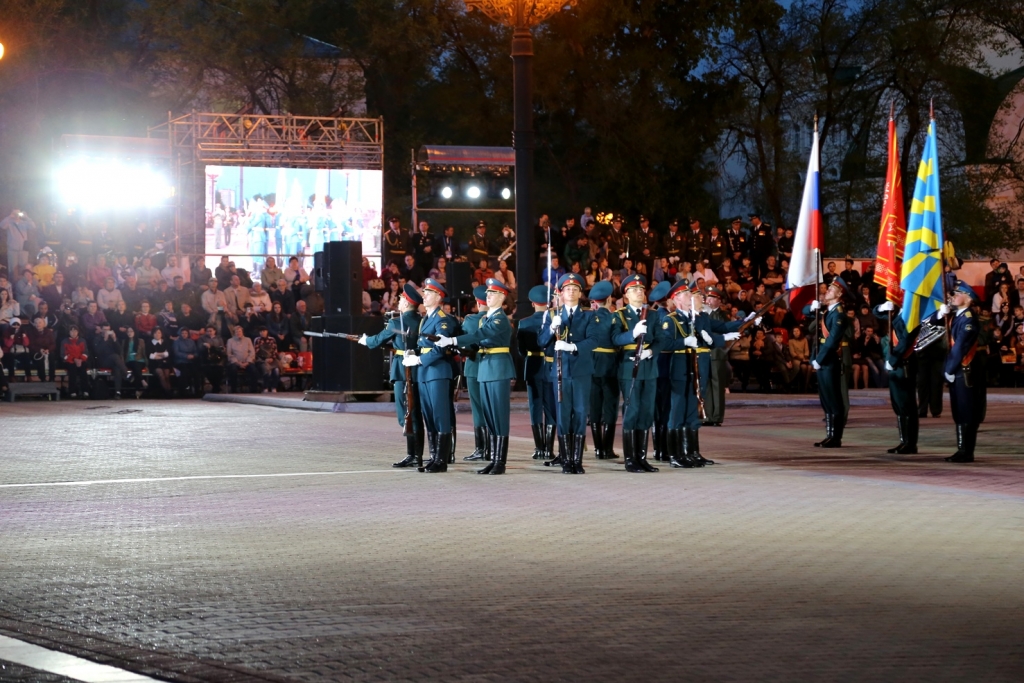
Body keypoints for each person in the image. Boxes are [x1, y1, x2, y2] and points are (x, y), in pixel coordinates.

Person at [437, 278, 515, 474]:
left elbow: (481, 334)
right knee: (489, 414)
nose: (488, 297)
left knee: (499, 415)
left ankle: (500, 461)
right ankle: (494, 459)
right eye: (487, 294)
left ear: (502, 297)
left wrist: (453, 339)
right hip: (487, 367)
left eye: (493, 294)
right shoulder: (489, 317)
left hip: (498, 368)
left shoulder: (499, 318)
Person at [661, 281, 734, 467]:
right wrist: (684, 342)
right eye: (685, 294)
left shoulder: (692, 319)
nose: (690, 297)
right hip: (678, 372)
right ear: (676, 299)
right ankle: (675, 455)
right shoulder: (671, 320)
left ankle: (690, 452)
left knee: (692, 412)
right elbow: (665, 344)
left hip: (693, 371)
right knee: (677, 412)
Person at [537, 273, 601, 474]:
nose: (571, 292)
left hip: (581, 371)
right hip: (560, 372)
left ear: (581, 293)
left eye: (575, 289)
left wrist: (572, 346)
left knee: (581, 413)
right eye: (567, 289)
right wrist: (551, 329)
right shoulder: (553, 314)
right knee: (563, 414)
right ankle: (566, 459)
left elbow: (594, 340)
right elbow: (541, 341)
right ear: (561, 293)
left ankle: (577, 460)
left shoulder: (590, 315)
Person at [360, 283, 424, 467]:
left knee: (404, 413)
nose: (399, 301)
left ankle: (413, 454)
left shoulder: (397, 322)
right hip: (418, 370)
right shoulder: (421, 321)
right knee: (416, 412)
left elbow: (378, 340)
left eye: (402, 299)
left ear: (406, 303)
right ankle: (418, 454)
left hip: (402, 372)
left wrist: (365, 340)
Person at [403, 278, 459, 473]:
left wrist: (419, 360)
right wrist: (415, 355)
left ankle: (441, 460)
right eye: (424, 292)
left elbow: (440, 349)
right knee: (429, 416)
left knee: (440, 415)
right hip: (425, 373)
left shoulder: (443, 319)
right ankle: (434, 457)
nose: (424, 295)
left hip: (437, 371)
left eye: (428, 292)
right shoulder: (426, 319)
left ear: (438, 297)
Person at [610, 274, 664, 472]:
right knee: (632, 411)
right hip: (629, 366)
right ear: (626, 295)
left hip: (649, 367)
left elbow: (661, 340)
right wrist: (632, 334)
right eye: (634, 290)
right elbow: (615, 339)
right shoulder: (620, 315)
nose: (639, 293)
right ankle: (630, 459)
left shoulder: (653, 315)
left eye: (641, 290)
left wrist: (651, 351)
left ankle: (642, 457)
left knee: (647, 411)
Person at [931, 281, 986, 462]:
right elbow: (931, 323)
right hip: (958, 370)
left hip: (965, 370)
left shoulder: (969, 319)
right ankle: (961, 449)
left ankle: (966, 451)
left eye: (958, 293)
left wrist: (949, 368)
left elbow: (960, 347)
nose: (953, 296)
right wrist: (940, 313)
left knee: (967, 411)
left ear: (968, 298)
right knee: (958, 411)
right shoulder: (956, 316)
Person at [805, 277, 851, 448]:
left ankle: (836, 437)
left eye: (831, 290)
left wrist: (819, 359)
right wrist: (812, 308)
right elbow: (804, 312)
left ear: (839, 295)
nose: (827, 291)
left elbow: (832, 341)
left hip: (829, 360)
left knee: (833, 400)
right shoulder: (827, 312)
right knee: (825, 400)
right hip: (822, 360)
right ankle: (829, 435)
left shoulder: (839, 315)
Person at [874, 301, 920, 453]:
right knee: (898, 405)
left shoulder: (912, 316)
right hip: (896, 363)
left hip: (904, 363)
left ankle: (910, 443)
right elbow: (876, 313)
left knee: (907, 404)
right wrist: (882, 307)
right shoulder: (897, 312)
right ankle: (903, 441)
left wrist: (893, 360)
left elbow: (906, 340)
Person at [517, 285, 556, 460]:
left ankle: (539, 448)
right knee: (550, 407)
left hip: (532, 365)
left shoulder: (524, 322)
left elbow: (520, 350)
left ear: (533, 303)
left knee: (535, 407)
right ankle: (549, 449)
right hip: (549, 364)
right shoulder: (554, 319)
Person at [451, 287, 488, 463]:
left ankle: (481, 448)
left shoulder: (471, 320)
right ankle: (492, 447)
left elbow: (462, 342)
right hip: (491, 366)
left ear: (478, 302)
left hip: (474, 367)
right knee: (491, 408)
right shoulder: (497, 320)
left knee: (478, 410)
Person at [587, 281, 620, 461]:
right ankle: (607, 449)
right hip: (609, 366)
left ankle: (598, 449)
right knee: (610, 408)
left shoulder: (589, 317)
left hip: (592, 365)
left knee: (594, 408)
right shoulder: (613, 317)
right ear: (608, 300)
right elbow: (617, 340)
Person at [226, 325, 258, 393]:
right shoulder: (230, 341)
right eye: (236, 332)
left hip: (247, 362)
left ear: (242, 332)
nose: (238, 333)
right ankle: (233, 389)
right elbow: (229, 354)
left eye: (240, 331)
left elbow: (252, 352)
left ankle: (253, 389)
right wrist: (238, 363)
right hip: (235, 362)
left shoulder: (248, 339)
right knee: (232, 369)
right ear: (234, 333)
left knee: (254, 369)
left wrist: (247, 362)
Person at [61, 325, 90, 398]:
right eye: (71, 331)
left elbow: (85, 352)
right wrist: (74, 359)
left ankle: (85, 391)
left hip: (81, 360)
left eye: (75, 331)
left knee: (83, 372)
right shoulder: (64, 341)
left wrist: (81, 359)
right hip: (69, 361)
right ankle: (72, 391)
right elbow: (63, 354)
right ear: (69, 332)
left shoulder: (82, 341)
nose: (73, 333)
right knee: (72, 372)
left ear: (78, 332)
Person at [27, 316, 57, 382]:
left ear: (43, 324)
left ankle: (52, 377)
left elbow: (53, 344)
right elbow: (31, 345)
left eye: (40, 323)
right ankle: (42, 378)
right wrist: (40, 350)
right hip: (36, 351)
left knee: (52, 356)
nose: (38, 324)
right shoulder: (31, 333)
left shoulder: (49, 332)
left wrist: (48, 350)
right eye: (36, 323)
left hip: (47, 350)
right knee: (40, 357)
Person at [147, 327, 173, 396]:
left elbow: (167, 354)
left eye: (159, 333)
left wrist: (157, 354)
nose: (157, 334)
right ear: (153, 334)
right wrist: (162, 354)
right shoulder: (149, 342)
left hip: (165, 362)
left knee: (167, 375)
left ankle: (168, 391)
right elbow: (150, 355)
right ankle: (168, 393)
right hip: (154, 364)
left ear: (161, 334)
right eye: (155, 333)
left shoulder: (165, 342)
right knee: (161, 374)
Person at [122, 327, 147, 398]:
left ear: (135, 332)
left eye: (131, 331)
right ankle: (142, 381)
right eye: (128, 332)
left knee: (136, 367)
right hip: (129, 361)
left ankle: (137, 390)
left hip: (140, 360)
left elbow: (144, 352)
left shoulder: (141, 341)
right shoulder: (125, 341)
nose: (129, 333)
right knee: (135, 366)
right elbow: (122, 353)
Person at [253, 326, 280, 392]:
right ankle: (265, 387)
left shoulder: (272, 339)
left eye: (264, 331)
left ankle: (274, 387)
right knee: (267, 370)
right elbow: (256, 352)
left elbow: (275, 350)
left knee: (276, 370)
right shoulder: (257, 340)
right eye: (261, 331)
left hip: (272, 359)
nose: (262, 333)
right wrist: (265, 359)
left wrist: (272, 358)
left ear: (267, 331)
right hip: (262, 360)